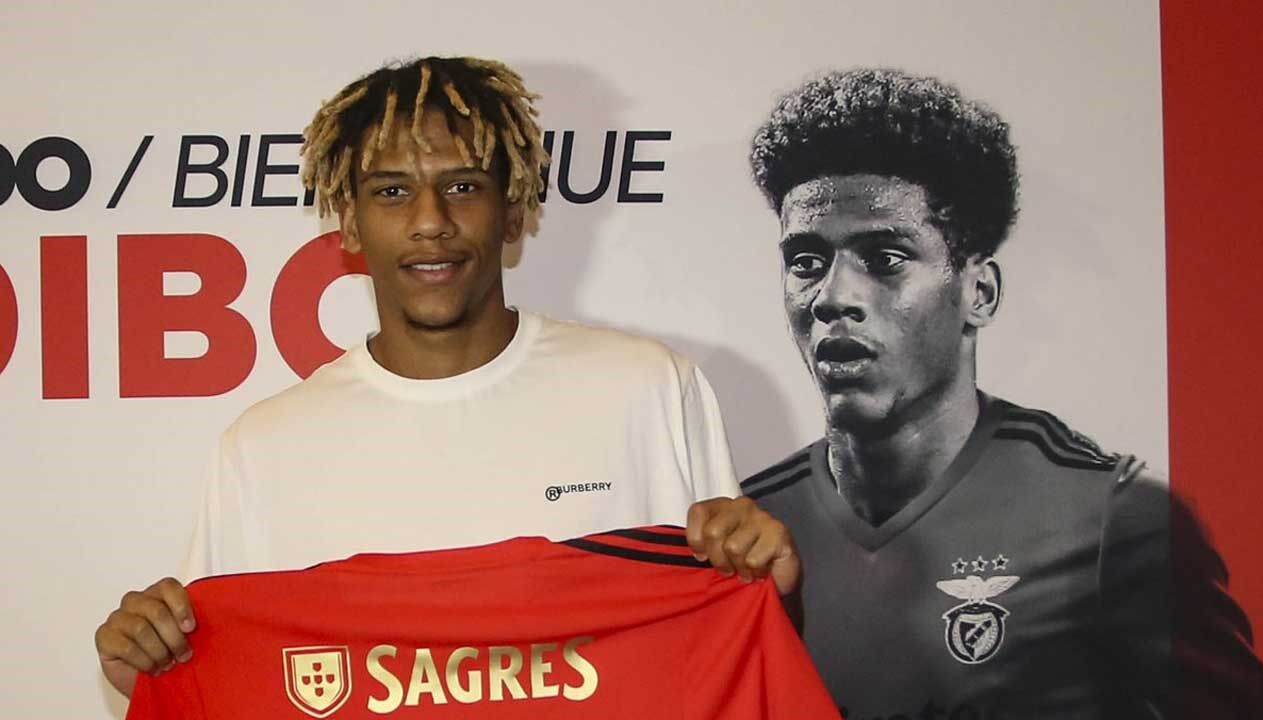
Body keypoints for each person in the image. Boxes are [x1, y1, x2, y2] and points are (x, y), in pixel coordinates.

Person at [94, 56, 797, 700]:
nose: (431, 222)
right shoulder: (262, 449)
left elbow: (729, 646)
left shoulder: (646, 388)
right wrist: (152, 664)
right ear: (350, 223)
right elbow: (231, 679)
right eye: (392, 191)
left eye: (462, 186)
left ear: (513, 211)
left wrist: (771, 580)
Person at [742, 67, 1263, 719]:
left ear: (980, 292)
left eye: (883, 259)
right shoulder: (754, 528)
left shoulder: (1111, 519)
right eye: (806, 263)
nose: (832, 298)